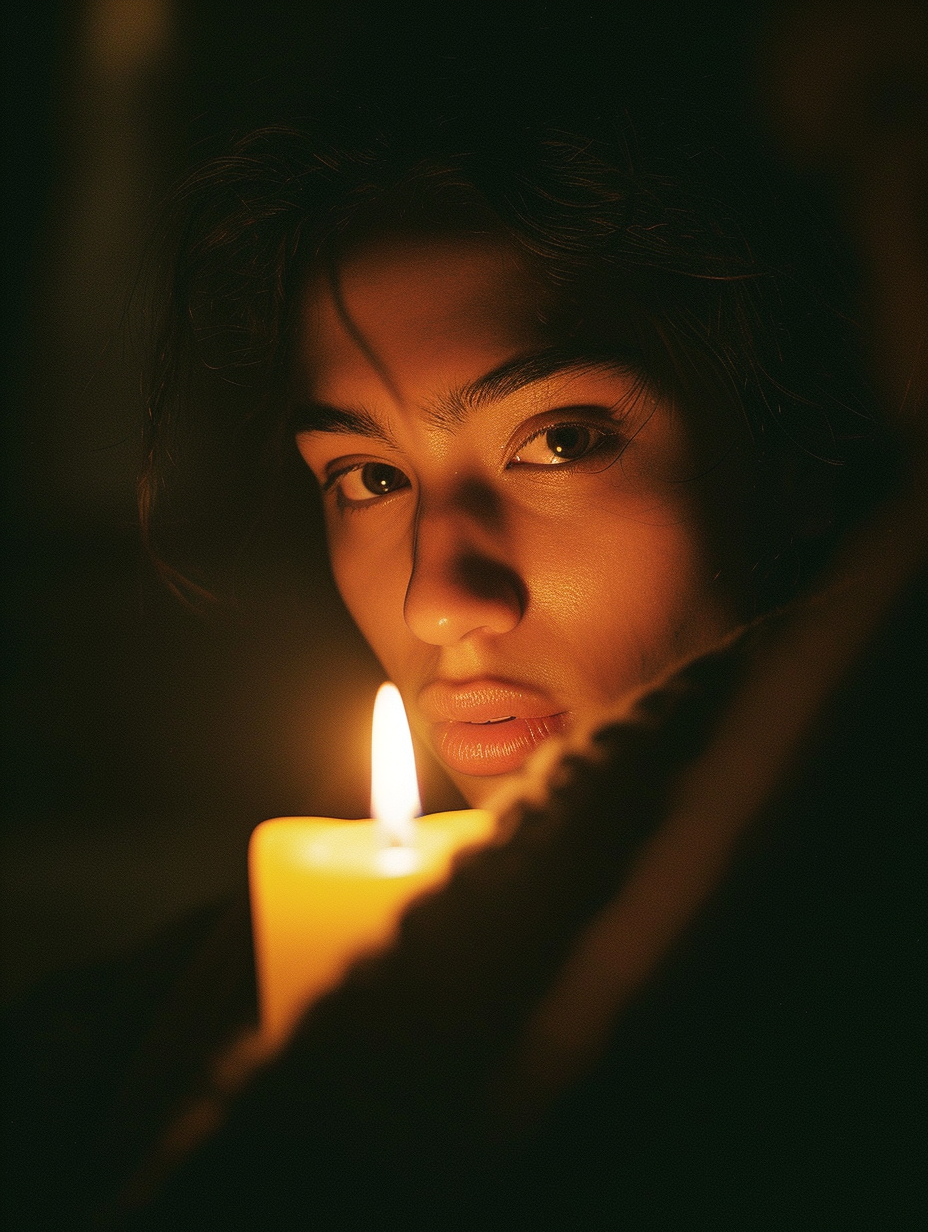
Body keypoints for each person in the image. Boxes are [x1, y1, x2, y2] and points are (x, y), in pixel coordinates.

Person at [7, 94, 925, 1231]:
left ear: (789, 461)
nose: (438, 600)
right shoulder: (117, 1056)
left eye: (560, 441)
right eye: (371, 477)